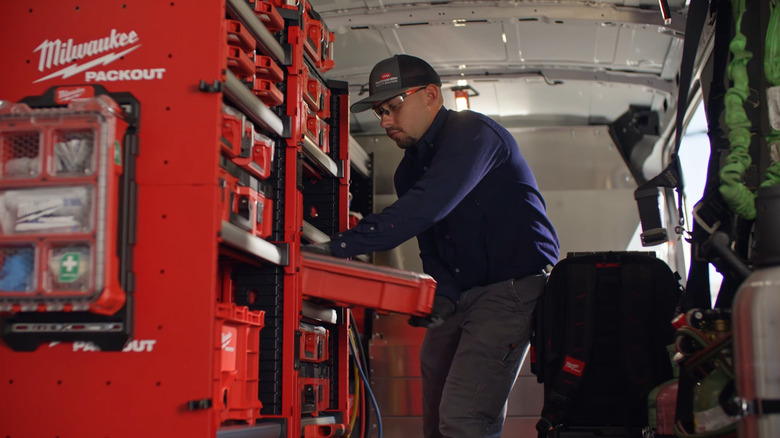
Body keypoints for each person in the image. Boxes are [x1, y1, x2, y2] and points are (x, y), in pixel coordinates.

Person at [305, 54, 559, 438]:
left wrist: (334, 249)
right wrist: (441, 294)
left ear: (430, 95)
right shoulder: (408, 170)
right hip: (462, 294)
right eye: (379, 112)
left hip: (511, 290)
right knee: (435, 410)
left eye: (393, 106)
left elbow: (424, 208)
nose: (386, 120)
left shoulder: (473, 135)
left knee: (464, 416)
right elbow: (433, 244)